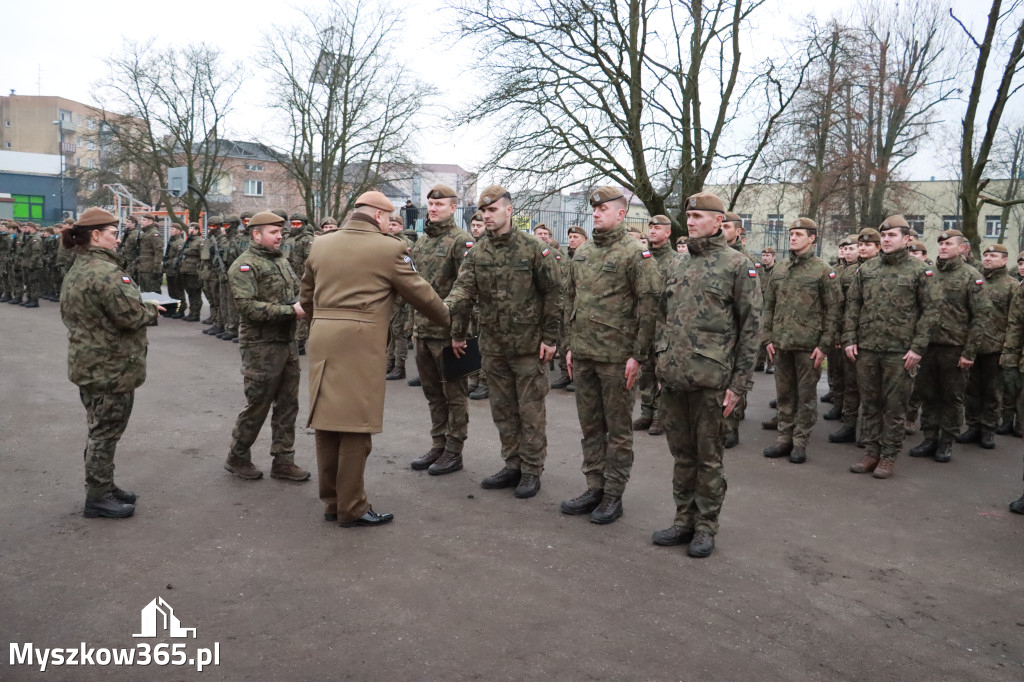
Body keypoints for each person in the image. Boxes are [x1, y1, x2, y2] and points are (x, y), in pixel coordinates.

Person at [300, 191, 450, 527]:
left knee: (327, 422)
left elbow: (306, 298)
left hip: (323, 339)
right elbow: (421, 294)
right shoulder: (389, 247)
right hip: (360, 343)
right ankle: (351, 507)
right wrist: (451, 319)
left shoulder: (321, 244)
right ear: (381, 216)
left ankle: (332, 501)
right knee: (355, 426)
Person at [650, 192, 762, 558]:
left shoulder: (737, 265)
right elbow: (663, 319)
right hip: (675, 377)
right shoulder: (679, 265)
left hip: (712, 380)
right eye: (689, 215)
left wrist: (739, 386)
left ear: (718, 221)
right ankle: (683, 520)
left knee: (708, 458)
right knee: (682, 455)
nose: (692, 221)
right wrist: (660, 363)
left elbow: (751, 330)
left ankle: (706, 526)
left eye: (699, 215)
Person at [445, 185, 562, 499]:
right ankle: (512, 464)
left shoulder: (534, 248)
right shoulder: (478, 251)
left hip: (528, 346)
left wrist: (551, 338)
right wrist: (445, 310)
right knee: (502, 409)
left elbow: (554, 294)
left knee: (530, 411)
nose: (487, 216)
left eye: (492, 210)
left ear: (509, 210)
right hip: (494, 345)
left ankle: (531, 469)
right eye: (484, 212)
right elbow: (463, 290)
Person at [561, 186, 661, 524]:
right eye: (594, 209)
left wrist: (639, 355)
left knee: (618, 430)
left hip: (618, 358)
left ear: (621, 213)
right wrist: (571, 346)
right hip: (586, 354)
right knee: (591, 427)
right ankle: (594, 485)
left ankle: (614, 494)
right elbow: (572, 301)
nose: (597, 213)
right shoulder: (583, 252)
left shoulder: (636, 253)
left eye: (604, 209)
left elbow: (649, 308)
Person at [60, 207, 162, 518]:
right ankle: (98, 496)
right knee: (105, 432)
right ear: (96, 236)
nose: (118, 239)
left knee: (100, 428)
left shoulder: (79, 267)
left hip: (89, 362)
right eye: (113, 234)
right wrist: (152, 309)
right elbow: (129, 316)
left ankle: (104, 484)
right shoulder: (106, 273)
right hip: (110, 368)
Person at [843, 216, 936, 479]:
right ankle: (871, 452)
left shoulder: (919, 271)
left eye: (892, 235)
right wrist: (850, 338)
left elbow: (929, 312)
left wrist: (918, 348)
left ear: (907, 239)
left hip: (900, 352)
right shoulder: (867, 269)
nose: (886, 239)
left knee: (895, 407)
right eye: (883, 236)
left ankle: (888, 456)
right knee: (870, 404)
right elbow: (853, 306)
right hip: (868, 349)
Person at [223, 211, 310, 483]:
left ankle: (284, 460)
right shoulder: (245, 266)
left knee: (288, 404)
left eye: (280, 232)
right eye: (274, 232)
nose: (280, 236)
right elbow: (246, 307)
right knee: (258, 405)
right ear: (256, 234)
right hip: (260, 346)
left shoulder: (281, 262)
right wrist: (290, 311)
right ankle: (237, 455)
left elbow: (296, 291)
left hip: (286, 343)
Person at [407, 185, 475, 475]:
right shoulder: (422, 242)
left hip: (450, 335)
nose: (433, 209)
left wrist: (460, 333)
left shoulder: (462, 241)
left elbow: (469, 291)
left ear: (452, 207)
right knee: (433, 394)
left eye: (439, 204)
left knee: (455, 396)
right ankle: (438, 444)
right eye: (430, 204)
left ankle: (454, 451)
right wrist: (413, 327)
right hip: (423, 332)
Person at [761, 218, 839, 464]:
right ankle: (784, 438)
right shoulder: (780, 269)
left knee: (805, 397)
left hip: (808, 346)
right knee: (784, 395)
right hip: (781, 343)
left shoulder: (823, 270)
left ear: (812, 238)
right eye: (791, 234)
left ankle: (800, 442)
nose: (793, 237)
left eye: (798, 234)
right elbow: (769, 306)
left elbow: (833, 310)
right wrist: (767, 337)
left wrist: (824, 345)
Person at [908, 229, 987, 464]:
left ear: (961, 248)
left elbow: (981, 317)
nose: (943, 247)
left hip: (954, 348)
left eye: (948, 243)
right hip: (928, 346)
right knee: (928, 395)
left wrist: (969, 352)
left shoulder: (971, 276)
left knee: (952, 397)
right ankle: (929, 438)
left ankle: (946, 442)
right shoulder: (929, 274)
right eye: (940, 243)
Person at [958, 244, 1015, 449]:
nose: (988, 259)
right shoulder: (976, 281)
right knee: (971, 389)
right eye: (987, 255)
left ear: (1005, 260)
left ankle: (988, 429)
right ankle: (973, 425)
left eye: (994, 256)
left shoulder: (1011, 285)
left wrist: (1009, 348)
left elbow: (1014, 320)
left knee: (993, 391)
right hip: (973, 345)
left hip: (995, 347)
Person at [634, 214, 680, 436]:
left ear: (668, 233)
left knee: (662, 371)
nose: (652, 231)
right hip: (643, 323)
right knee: (645, 370)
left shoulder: (676, 261)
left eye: (657, 228)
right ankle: (645, 411)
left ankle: (660, 415)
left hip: (664, 325)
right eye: (650, 227)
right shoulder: (642, 258)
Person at [828, 233, 870, 444]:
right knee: (850, 384)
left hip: (875, 338)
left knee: (872, 390)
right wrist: (840, 333)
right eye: (859, 245)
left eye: (866, 245)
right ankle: (849, 425)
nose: (861, 249)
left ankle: (869, 433)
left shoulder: (876, 270)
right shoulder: (850, 272)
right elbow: (842, 305)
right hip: (851, 334)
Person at [386, 214, 415, 380]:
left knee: (399, 332)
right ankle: (390, 362)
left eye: (394, 225)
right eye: (389, 224)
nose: (391, 227)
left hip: (400, 296)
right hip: (389, 295)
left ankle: (399, 365)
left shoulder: (405, 244)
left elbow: (409, 270)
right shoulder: (386, 242)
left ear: (401, 227)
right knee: (389, 331)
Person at [178, 222, 204, 321]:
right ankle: (191, 312)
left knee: (195, 293)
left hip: (194, 271)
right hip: (186, 270)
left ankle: (195, 313)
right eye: (189, 228)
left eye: (192, 228)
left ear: (197, 230)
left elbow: (202, 257)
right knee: (190, 293)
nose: (190, 230)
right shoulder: (188, 240)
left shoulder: (199, 241)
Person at [136, 212, 164, 295]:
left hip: (150, 269)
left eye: (144, 220)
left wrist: (157, 269)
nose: (141, 222)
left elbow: (158, 252)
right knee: (144, 293)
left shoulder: (154, 234)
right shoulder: (144, 233)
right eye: (141, 220)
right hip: (143, 268)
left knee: (152, 293)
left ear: (150, 222)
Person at [163, 222, 186, 317]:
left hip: (175, 270)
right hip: (169, 269)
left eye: (173, 229)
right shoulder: (171, 241)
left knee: (178, 291)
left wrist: (172, 263)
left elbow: (179, 257)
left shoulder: (180, 242)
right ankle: (173, 309)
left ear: (179, 231)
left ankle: (180, 310)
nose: (171, 231)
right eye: (171, 229)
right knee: (171, 291)